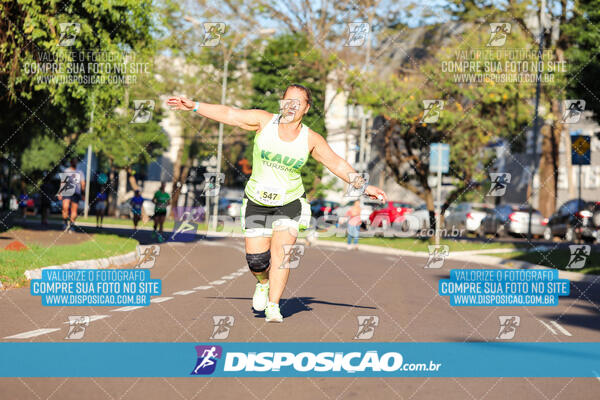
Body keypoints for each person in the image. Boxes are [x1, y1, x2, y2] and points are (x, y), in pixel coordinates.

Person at [167, 84, 387, 323]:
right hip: (256, 201)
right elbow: (230, 114)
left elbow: (336, 163)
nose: (292, 106)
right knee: (257, 261)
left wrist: (364, 186)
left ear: (306, 108)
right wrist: (195, 106)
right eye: (288, 101)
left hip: (290, 201)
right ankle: (263, 283)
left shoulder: (311, 139)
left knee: (283, 255)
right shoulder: (264, 122)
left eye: (298, 102)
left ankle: (274, 305)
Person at [57, 158, 85, 232]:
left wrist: (83, 194)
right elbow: (63, 182)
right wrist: (60, 192)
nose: (75, 163)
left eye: (76, 162)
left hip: (76, 192)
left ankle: (71, 225)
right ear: (71, 162)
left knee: (74, 210)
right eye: (73, 161)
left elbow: (83, 184)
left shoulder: (80, 172)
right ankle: (65, 223)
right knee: (65, 207)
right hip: (67, 191)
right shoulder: (66, 171)